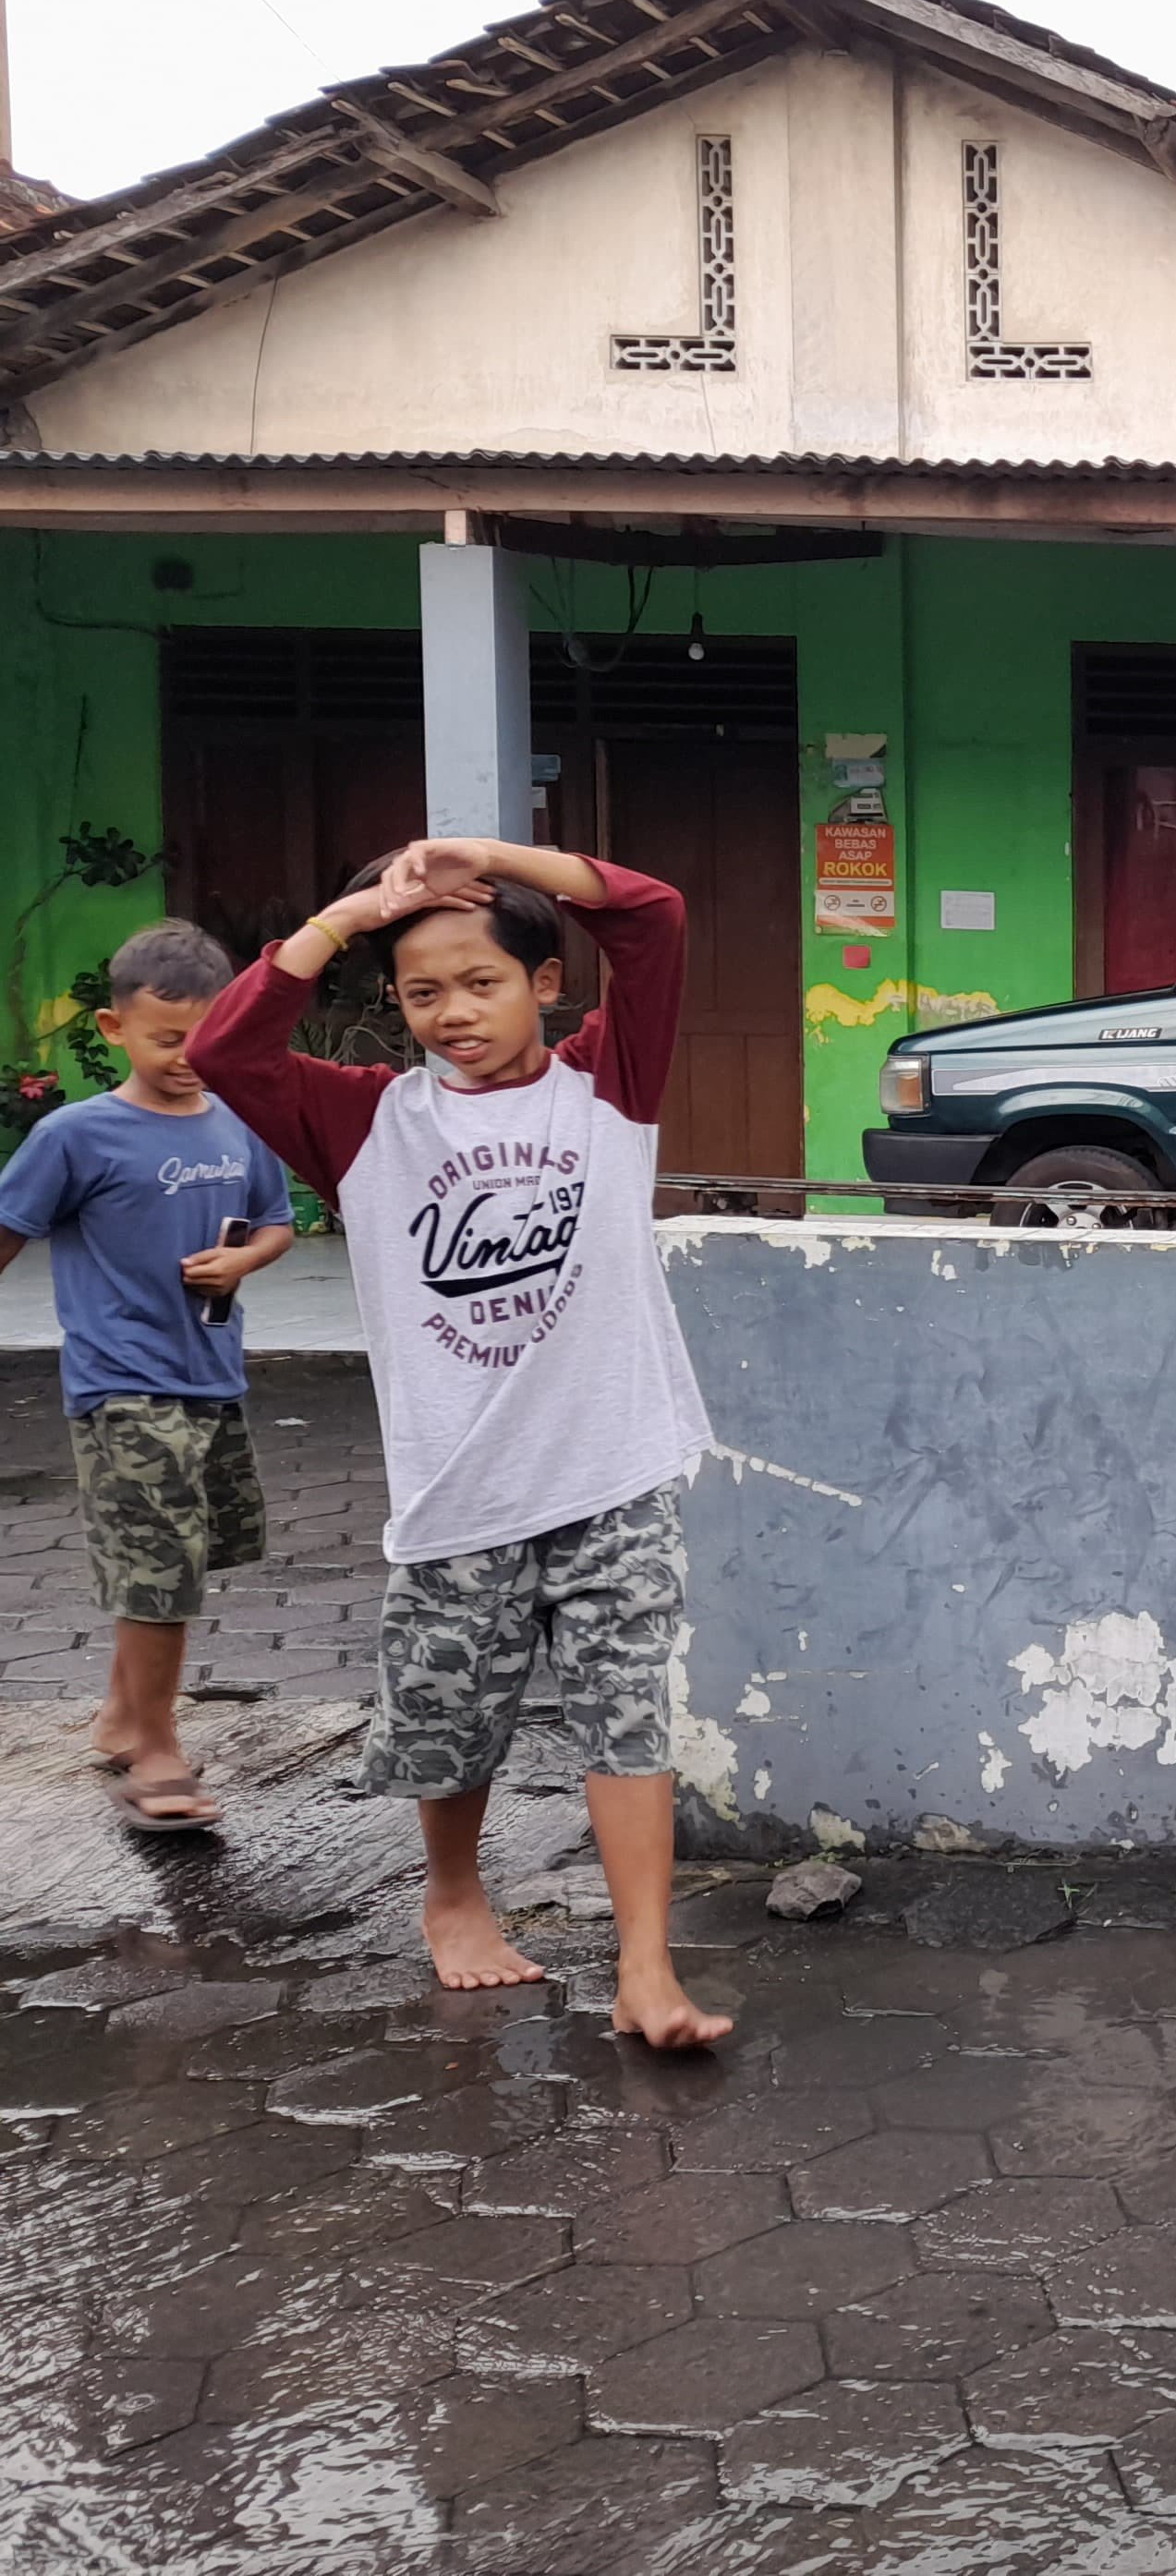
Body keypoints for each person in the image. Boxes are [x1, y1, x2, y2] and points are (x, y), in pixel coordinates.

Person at [191, 838, 732, 2050]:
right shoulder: (361, 1120)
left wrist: (484, 854)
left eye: (480, 982)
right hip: (458, 1491)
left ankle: (647, 1967)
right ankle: (453, 1896)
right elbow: (228, 1050)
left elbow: (654, 909)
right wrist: (347, 915)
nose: (453, 1012)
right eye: (423, 991)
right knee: (450, 1724)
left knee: (627, 1717)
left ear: (546, 984)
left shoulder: (610, 1082)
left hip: (613, 1468)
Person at [0, 922, 297, 1833]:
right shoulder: (75, 1135)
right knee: (160, 1571)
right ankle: (157, 1748)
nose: (189, 1058)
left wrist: (242, 1265)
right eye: (169, 1039)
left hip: (210, 1377)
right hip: (121, 1385)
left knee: (187, 1554)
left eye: (207, 1038)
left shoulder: (240, 1126)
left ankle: (122, 1712)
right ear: (114, 1027)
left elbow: (275, 1222)